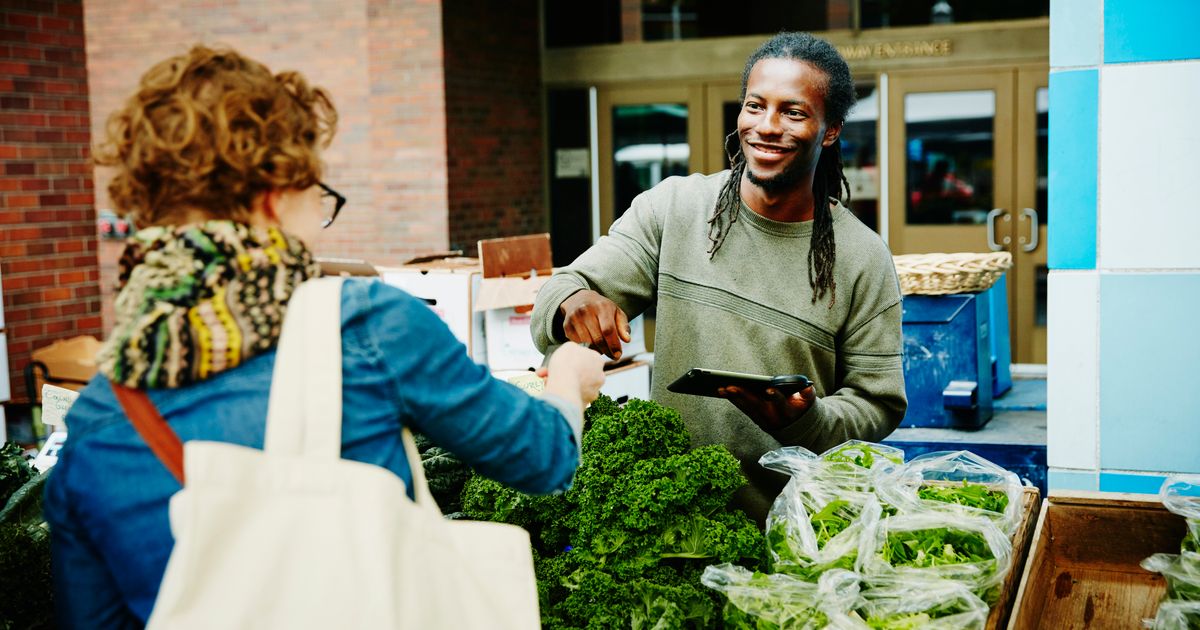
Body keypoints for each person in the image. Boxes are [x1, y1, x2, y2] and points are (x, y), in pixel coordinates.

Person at [43, 45, 607, 628]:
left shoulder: (96, 417)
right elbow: (543, 459)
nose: (320, 219)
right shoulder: (365, 325)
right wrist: (567, 378)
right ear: (271, 196)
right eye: (318, 196)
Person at [531, 32, 906, 523]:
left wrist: (806, 421)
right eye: (755, 106)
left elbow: (877, 404)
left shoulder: (863, 257)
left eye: (793, 112)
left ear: (830, 130)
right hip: (667, 524)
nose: (766, 127)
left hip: (793, 532)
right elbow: (559, 293)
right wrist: (574, 300)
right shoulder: (674, 208)